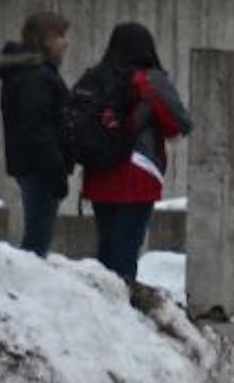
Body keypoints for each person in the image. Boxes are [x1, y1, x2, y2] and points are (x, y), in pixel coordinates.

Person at [78, 22, 191, 283]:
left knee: (106, 246)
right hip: (137, 171)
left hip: (99, 170)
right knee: (126, 247)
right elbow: (179, 123)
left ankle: (103, 306)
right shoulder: (149, 79)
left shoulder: (94, 77)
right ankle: (122, 307)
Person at [0, 11, 73, 256]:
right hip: (39, 168)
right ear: (46, 39)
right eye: (60, 36)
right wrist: (56, 170)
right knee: (37, 240)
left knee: (37, 235)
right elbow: (38, 128)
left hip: (34, 166)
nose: (65, 42)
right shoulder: (36, 77)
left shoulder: (31, 73)